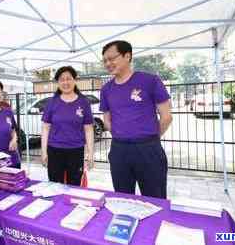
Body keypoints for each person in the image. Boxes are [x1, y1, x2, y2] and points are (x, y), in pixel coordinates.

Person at [100, 40, 172, 199]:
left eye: (112, 58)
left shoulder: (150, 81)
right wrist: (123, 136)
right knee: (123, 199)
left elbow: (166, 116)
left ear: (127, 56)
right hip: (119, 150)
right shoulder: (106, 89)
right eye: (105, 60)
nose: (108, 63)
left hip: (148, 149)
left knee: (155, 199)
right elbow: (107, 120)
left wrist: (151, 138)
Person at [41, 66, 95, 186]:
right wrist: (44, 151)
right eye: (61, 79)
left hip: (76, 151)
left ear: (75, 80)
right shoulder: (52, 102)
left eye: (69, 78)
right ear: (58, 82)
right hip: (54, 150)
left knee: (75, 186)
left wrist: (91, 153)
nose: (65, 82)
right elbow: (45, 128)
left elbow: (89, 129)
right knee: (55, 185)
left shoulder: (83, 102)